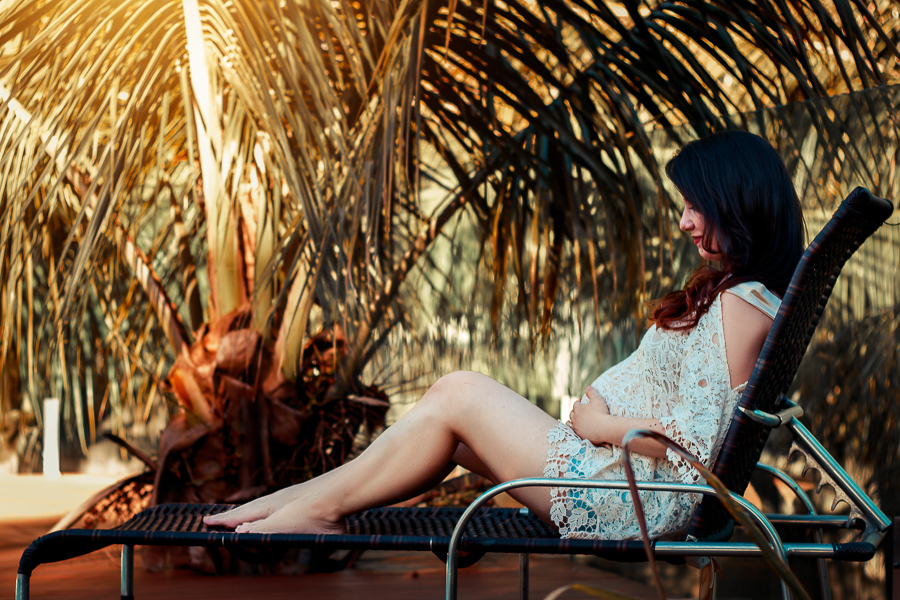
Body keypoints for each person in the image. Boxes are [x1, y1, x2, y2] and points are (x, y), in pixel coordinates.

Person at [203, 130, 805, 540]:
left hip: (629, 499)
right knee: (442, 428)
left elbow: (699, 448)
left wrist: (598, 424)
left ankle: (313, 507)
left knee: (459, 392)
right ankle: (298, 501)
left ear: (735, 202)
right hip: (618, 477)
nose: (683, 221)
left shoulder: (741, 305)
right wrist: (596, 414)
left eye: (695, 205)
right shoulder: (742, 296)